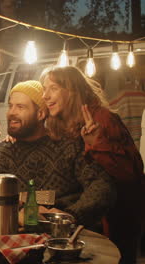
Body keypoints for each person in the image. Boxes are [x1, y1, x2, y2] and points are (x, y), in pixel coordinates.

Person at [40, 66, 144, 264]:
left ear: (72, 90)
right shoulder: (63, 121)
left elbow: (131, 171)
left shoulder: (101, 119)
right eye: (44, 89)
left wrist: (98, 144)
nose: (45, 95)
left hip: (118, 216)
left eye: (52, 88)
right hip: (90, 218)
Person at [0, 80, 115, 229]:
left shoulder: (69, 147)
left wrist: (71, 215)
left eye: (20, 107)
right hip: (15, 238)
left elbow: (101, 186)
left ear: (41, 113)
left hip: (65, 236)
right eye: (10, 106)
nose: (12, 112)